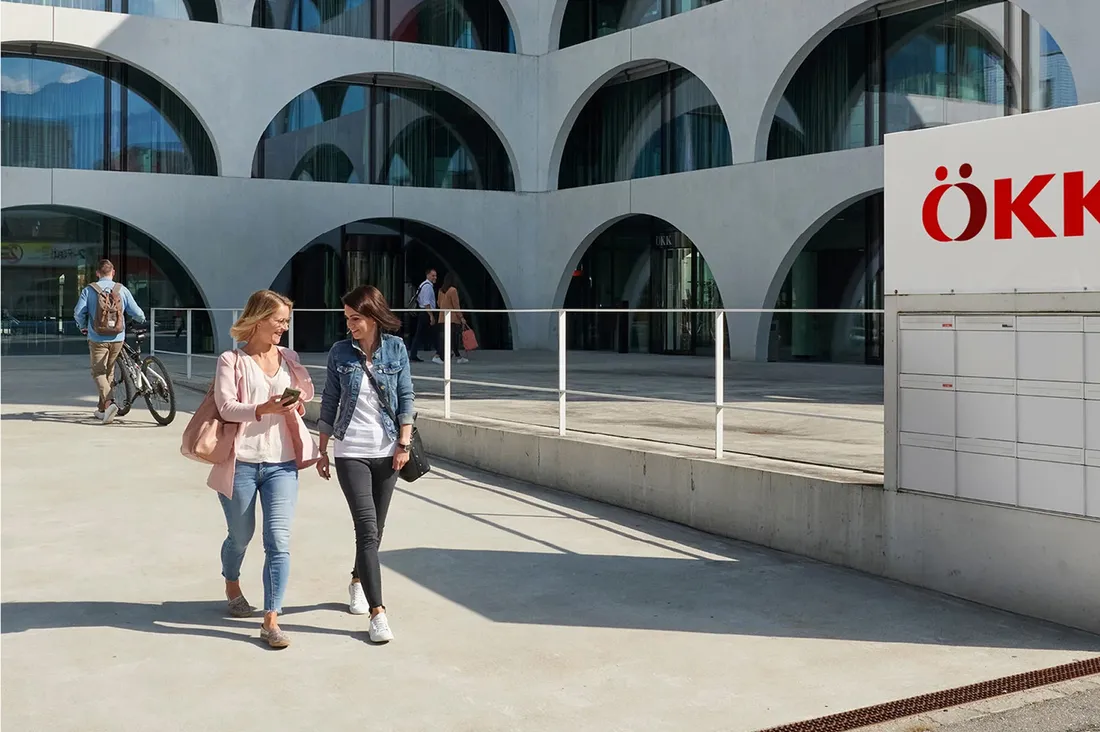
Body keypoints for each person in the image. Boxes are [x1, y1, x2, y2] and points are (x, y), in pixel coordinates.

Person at [208, 290, 320, 649]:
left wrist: (295, 401)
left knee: (279, 541)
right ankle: (232, 582)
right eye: (279, 321)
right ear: (258, 319)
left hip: (282, 464)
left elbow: (307, 393)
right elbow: (226, 407)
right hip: (241, 461)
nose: (283, 328)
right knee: (240, 536)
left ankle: (271, 619)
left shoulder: (289, 357)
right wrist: (263, 408)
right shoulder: (231, 360)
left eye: (286, 322)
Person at [316, 285, 415, 644]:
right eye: (347, 319)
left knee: (377, 529)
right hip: (350, 450)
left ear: (372, 316)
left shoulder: (396, 349)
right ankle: (378, 613)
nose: (350, 326)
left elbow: (406, 396)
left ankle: (358, 579)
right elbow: (330, 399)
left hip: (388, 449)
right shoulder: (340, 352)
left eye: (355, 319)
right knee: (367, 529)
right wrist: (322, 447)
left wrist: (404, 442)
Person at [73, 259, 146, 424]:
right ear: (113, 273)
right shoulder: (122, 290)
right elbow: (138, 313)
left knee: (98, 373)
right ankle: (102, 409)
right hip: (118, 338)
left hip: (97, 338)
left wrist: (83, 326)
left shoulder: (89, 290)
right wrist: (141, 319)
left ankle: (109, 403)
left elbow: (78, 312)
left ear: (97, 273)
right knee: (109, 372)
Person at [408, 267, 442, 364]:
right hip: (427, 312)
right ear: (428, 275)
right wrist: (431, 316)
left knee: (421, 334)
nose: (435, 277)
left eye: (435, 276)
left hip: (424, 312)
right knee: (434, 333)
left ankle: (413, 354)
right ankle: (440, 353)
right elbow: (426, 302)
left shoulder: (423, 285)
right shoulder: (427, 287)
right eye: (433, 275)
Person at [436, 272, 469, 364]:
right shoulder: (453, 290)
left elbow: (438, 303)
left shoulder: (441, 290)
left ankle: (456, 355)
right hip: (452, 318)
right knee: (453, 338)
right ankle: (440, 355)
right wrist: (461, 317)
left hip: (442, 317)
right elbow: (456, 305)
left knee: (447, 337)